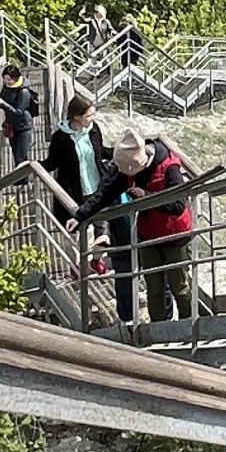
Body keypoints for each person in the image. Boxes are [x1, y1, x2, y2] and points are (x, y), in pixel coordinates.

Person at [84, 125, 195, 324]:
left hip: (175, 236)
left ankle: (190, 327)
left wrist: (146, 197)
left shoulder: (169, 167)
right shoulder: (130, 166)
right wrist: (80, 215)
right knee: (154, 289)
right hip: (148, 235)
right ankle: (160, 330)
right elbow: (106, 192)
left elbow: (178, 205)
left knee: (180, 287)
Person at [47, 92, 135, 323]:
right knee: (78, 231)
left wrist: (120, 153)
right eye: (89, 115)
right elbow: (53, 163)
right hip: (75, 192)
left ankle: (91, 261)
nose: (93, 118)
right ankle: (82, 264)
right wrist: (31, 166)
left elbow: (100, 152)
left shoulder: (93, 130)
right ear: (76, 117)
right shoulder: (60, 138)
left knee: (103, 232)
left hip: (99, 188)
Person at [0, 61, 39, 166]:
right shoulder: (7, 87)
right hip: (12, 126)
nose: (6, 81)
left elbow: (19, 111)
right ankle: (20, 180)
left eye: (9, 79)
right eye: (4, 78)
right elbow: (2, 102)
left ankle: (22, 180)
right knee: (15, 155)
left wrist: (3, 103)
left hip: (24, 126)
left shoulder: (24, 92)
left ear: (15, 78)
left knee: (21, 156)